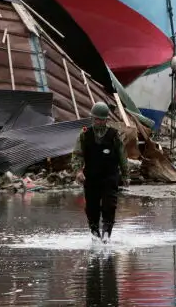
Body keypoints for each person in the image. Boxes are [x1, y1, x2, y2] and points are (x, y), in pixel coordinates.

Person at [71, 102, 128, 245]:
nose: (99, 122)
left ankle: (107, 232)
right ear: (92, 119)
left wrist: (126, 175)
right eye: (97, 119)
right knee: (92, 207)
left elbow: (122, 155)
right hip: (91, 176)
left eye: (102, 119)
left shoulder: (114, 135)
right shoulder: (85, 134)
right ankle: (94, 232)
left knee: (110, 205)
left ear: (106, 120)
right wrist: (78, 171)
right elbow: (77, 154)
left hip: (110, 176)